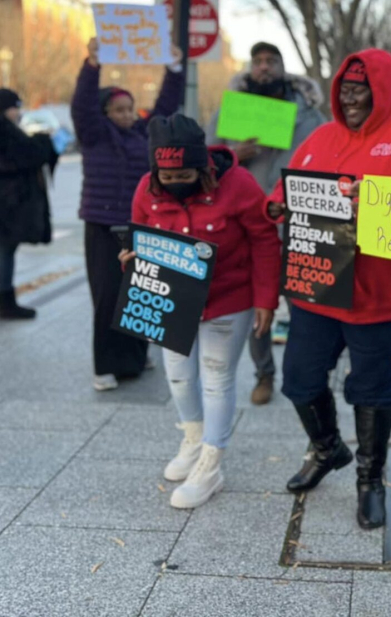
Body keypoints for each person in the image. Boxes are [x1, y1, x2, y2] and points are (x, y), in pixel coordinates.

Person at [266, 50, 391, 530]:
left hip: (379, 297)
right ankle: (327, 448)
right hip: (316, 286)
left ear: (385, 92)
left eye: (362, 91)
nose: (352, 99)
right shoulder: (319, 136)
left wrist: (368, 209)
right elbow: (285, 191)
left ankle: (369, 479)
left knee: (369, 389)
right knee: (298, 378)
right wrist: (276, 208)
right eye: (345, 91)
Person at [122, 114, 280, 509]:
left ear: (204, 166)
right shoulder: (145, 188)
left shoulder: (239, 184)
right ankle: (193, 439)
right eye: (167, 177)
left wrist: (266, 299)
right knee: (176, 374)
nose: (175, 184)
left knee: (216, 376)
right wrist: (132, 259)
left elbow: (264, 241)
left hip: (229, 297)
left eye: (184, 175)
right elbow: (138, 235)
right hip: (173, 301)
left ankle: (212, 462)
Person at [206, 42, 327, 405]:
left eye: (271, 60)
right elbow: (205, 160)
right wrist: (233, 155)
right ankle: (264, 374)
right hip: (248, 228)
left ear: (282, 66)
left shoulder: (308, 112)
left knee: (304, 305)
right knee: (257, 301)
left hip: (298, 223)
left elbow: (331, 154)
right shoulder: (232, 109)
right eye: (257, 61)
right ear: (249, 67)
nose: (264, 67)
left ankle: (303, 373)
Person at [72, 37, 185, 391]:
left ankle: (135, 358)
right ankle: (104, 366)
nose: (125, 115)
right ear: (106, 112)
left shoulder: (142, 134)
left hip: (139, 225)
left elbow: (165, 106)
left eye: (129, 109)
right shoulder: (93, 133)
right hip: (102, 225)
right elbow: (82, 105)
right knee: (107, 296)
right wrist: (92, 65)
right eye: (118, 110)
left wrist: (175, 69)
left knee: (139, 292)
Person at [0, 89, 58, 320]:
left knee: (6, 251)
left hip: (8, 205)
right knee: (4, 251)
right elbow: (25, 156)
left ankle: (6, 299)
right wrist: (42, 142)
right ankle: (5, 301)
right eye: (16, 107)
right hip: (7, 205)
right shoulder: (5, 132)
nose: (19, 112)